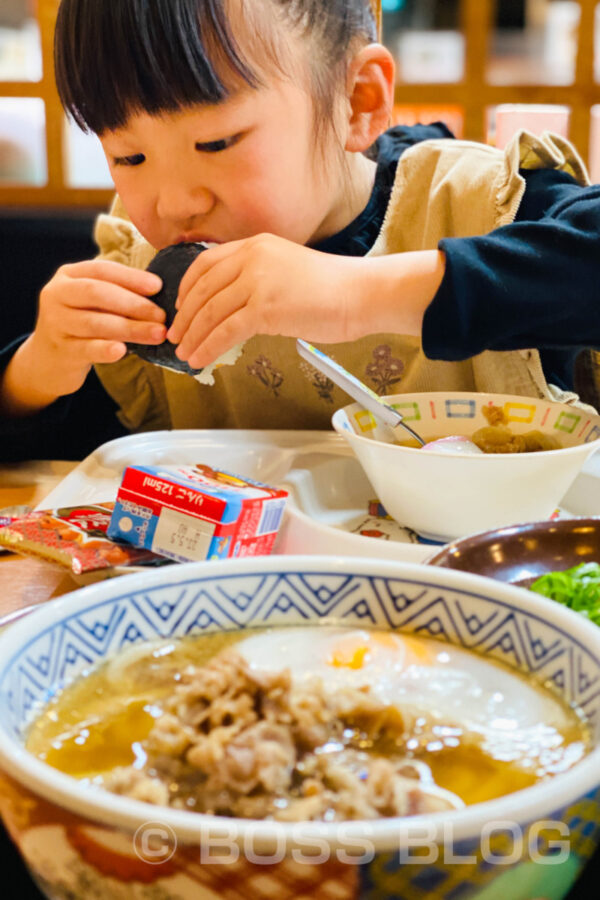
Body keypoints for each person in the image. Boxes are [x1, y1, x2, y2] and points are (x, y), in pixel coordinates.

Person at [2, 0, 600, 463]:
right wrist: (36, 370)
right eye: (128, 158)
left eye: (217, 142)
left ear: (357, 101)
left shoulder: (478, 204)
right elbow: (69, 464)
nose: (175, 204)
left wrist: (353, 294)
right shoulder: (141, 267)